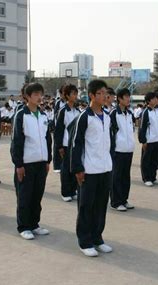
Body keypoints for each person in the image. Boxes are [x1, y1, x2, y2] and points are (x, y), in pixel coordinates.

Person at [70, 79, 113, 257]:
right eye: (101, 93)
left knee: (101, 206)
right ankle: (85, 241)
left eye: (106, 93)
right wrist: (78, 169)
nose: (105, 96)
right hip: (89, 169)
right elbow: (75, 144)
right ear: (92, 95)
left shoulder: (108, 116)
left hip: (105, 168)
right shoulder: (84, 117)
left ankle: (97, 238)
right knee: (86, 206)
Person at [11, 83, 52, 239]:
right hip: (27, 163)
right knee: (25, 196)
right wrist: (19, 164)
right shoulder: (21, 115)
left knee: (37, 195)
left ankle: (34, 224)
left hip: (41, 162)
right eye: (35, 94)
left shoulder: (43, 115)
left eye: (40, 94)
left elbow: (47, 139)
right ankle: (23, 226)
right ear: (27, 97)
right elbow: (17, 141)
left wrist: (48, 160)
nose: (39, 97)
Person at [110, 88, 135, 211]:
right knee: (117, 176)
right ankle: (116, 201)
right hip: (118, 150)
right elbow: (111, 133)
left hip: (128, 149)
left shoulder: (130, 114)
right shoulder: (114, 114)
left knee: (126, 176)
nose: (128, 99)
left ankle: (124, 200)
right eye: (126, 97)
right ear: (119, 99)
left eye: (129, 97)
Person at [55, 84, 81, 202]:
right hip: (66, 144)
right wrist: (59, 146)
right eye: (73, 94)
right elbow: (59, 129)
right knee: (65, 169)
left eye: (76, 93)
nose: (75, 96)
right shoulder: (63, 111)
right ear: (66, 95)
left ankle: (73, 190)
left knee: (74, 168)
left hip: (76, 145)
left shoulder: (77, 110)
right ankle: (65, 192)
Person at [138, 92, 158, 187]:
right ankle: (146, 178)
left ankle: (153, 177)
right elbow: (142, 127)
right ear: (149, 101)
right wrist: (143, 140)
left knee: (155, 160)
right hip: (149, 141)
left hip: (157, 140)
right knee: (146, 160)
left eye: (156, 98)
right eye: (153, 99)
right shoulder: (146, 112)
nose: (156, 100)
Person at [52, 86, 66, 173]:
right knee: (57, 146)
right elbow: (56, 116)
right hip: (59, 127)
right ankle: (57, 166)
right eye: (63, 93)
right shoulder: (58, 103)